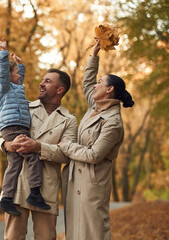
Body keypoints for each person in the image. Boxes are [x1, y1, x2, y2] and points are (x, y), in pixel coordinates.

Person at [58, 39, 134, 240]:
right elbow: (87, 82)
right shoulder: (95, 107)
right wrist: (94, 55)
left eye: (100, 82)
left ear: (109, 90)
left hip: (93, 183)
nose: (95, 85)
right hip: (74, 179)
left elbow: (94, 155)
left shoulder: (113, 122)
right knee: (74, 232)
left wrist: (67, 146)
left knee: (93, 232)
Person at [0, 67, 77, 239]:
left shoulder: (69, 120)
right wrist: (8, 145)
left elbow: (67, 153)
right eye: (42, 80)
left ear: (60, 90)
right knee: (13, 238)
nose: (41, 83)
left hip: (46, 189)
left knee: (46, 237)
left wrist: (38, 147)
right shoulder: (23, 106)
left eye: (47, 81)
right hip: (15, 186)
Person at [0, 37, 51, 216]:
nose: (18, 77)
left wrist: (19, 65)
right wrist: (3, 52)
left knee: (14, 163)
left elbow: (18, 76)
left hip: (16, 127)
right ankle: (35, 193)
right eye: (14, 73)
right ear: (6, 75)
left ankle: (6, 199)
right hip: (13, 127)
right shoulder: (3, 87)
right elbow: (5, 75)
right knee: (32, 157)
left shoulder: (15, 87)